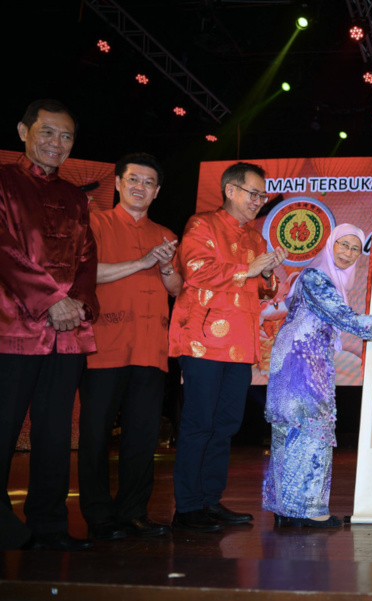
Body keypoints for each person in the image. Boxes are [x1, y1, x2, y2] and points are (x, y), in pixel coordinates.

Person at [262, 224, 372, 528]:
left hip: (299, 359)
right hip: (303, 362)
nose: (347, 253)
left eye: (355, 248)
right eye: (342, 245)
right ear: (330, 245)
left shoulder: (325, 278)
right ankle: (306, 509)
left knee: (292, 432)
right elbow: (344, 319)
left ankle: (287, 508)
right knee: (310, 431)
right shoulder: (315, 276)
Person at [168, 162, 288, 532]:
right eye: (253, 193)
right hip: (204, 341)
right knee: (198, 423)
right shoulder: (201, 224)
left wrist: (267, 273)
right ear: (230, 190)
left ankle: (209, 500)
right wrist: (248, 269)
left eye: (262, 196)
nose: (258, 201)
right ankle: (187, 507)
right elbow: (195, 270)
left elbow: (264, 290)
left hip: (240, 344)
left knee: (225, 425)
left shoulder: (254, 238)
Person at [0, 99, 98, 551]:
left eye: (66, 136)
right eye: (47, 133)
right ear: (23, 131)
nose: (57, 144)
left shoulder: (78, 196)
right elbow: (5, 251)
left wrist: (75, 301)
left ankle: (49, 524)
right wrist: (51, 299)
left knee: (56, 432)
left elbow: (87, 258)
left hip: (67, 332)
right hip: (13, 327)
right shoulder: (3, 181)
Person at [77, 153, 181, 541]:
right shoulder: (94, 223)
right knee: (96, 435)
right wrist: (141, 262)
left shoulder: (165, 233)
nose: (141, 187)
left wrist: (166, 266)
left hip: (151, 347)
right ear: (118, 183)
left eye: (149, 182)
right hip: (104, 344)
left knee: (143, 435)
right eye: (133, 179)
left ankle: (134, 511)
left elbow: (177, 288)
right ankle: (99, 515)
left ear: (157, 192)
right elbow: (85, 273)